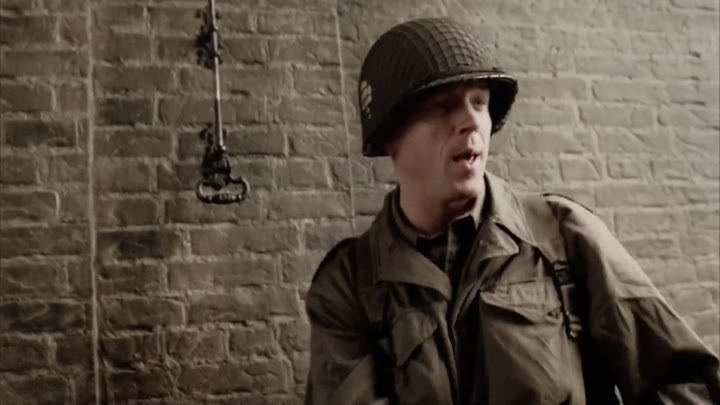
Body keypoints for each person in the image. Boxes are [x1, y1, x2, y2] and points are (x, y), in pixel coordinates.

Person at [304, 17, 720, 405]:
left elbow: (688, 382)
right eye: (442, 106)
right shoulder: (349, 285)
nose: (471, 121)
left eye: (479, 103)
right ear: (389, 137)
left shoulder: (560, 235)